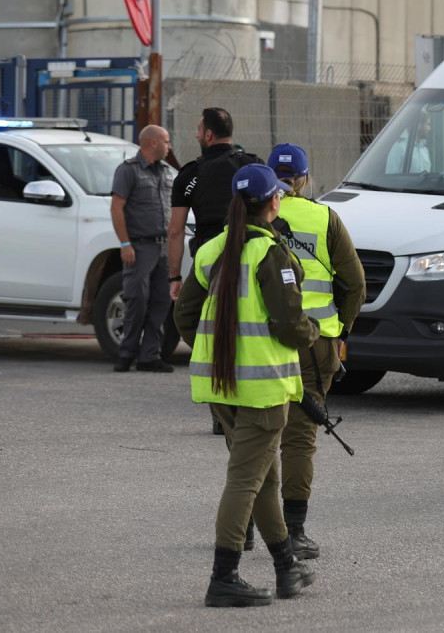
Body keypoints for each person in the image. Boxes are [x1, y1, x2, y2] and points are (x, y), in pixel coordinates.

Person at [173, 163, 320, 608]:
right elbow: (289, 324)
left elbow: (184, 316)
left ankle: (285, 566)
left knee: (263, 478)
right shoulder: (271, 254)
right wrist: (313, 331)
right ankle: (224, 576)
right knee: (245, 481)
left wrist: (215, 350)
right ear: (274, 201)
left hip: (220, 387)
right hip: (262, 389)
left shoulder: (212, 249)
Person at [267, 143, 367, 560]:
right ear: (305, 179)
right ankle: (294, 530)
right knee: (300, 437)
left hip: (263, 341)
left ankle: (251, 523)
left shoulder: (253, 216)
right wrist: (340, 329)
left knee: (256, 435)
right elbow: (356, 284)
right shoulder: (326, 218)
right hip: (315, 344)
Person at [168, 108, 262, 434]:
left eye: (198, 130)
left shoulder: (190, 175)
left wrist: (175, 278)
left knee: (211, 327)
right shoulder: (253, 165)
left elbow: (176, 231)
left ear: (208, 134)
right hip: (255, 256)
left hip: (209, 264)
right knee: (251, 327)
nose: (196, 135)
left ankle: (221, 413)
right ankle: (252, 399)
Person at [109, 124, 175, 373]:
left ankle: (149, 356)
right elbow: (117, 208)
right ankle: (126, 354)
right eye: (166, 141)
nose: (169, 147)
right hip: (139, 246)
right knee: (136, 300)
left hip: (164, 247)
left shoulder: (167, 172)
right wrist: (125, 242)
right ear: (153, 143)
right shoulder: (128, 171)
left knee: (161, 301)